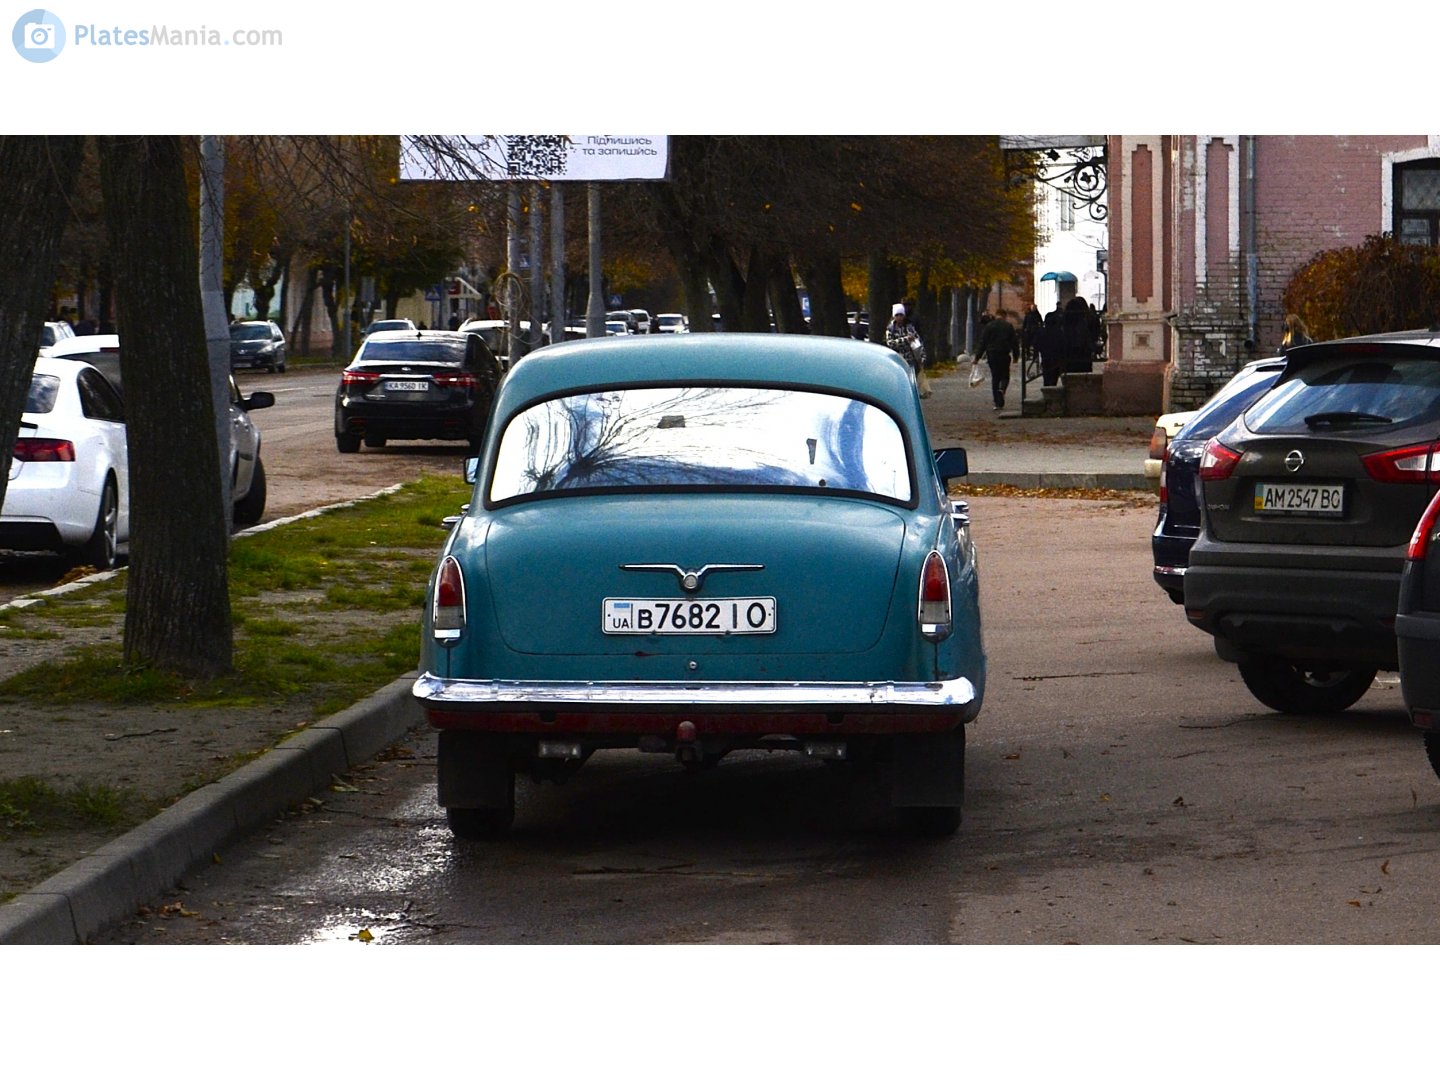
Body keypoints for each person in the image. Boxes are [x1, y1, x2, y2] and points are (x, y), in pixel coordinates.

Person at [974, 309, 1020, 411]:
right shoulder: (1008, 326)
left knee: (995, 377)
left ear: (996, 315)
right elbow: (1014, 342)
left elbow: (983, 342)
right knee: (1005, 375)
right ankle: (1002, 388)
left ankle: (997, 403)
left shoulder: (989, 326)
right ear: (1004, 316)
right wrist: (1016, 356)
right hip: (1004, 354)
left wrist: (977, 357)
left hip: (992, 354)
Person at [885, 302, 930, 398]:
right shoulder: (890, 329)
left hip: (911, 358)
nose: (899, 317)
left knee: (912, 378)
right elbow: (890, 343)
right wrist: (905, 339)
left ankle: (912, 395)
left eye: (901, 315)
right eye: (897, 315)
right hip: (897, 358)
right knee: (900, 378)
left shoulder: (909, 327)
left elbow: (918, 341)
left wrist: (922, 356)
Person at [1038, 302, 1065, 386]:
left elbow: (1038, 344)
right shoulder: (1058, 332)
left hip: (1045, 357)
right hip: (1055, 357)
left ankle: (1047, 388)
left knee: (1046, 377)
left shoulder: (1042, 332)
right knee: (1053, 378)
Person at [1021, 303, 1043, 370]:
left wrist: (1040, 328)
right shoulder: (1028, 315)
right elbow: (1025, 322)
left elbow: (1041, 322)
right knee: (1027, 344)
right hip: (1029, 331)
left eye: (1034, 308)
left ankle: (1035, 356)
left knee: (1035, 344)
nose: (1033, 309)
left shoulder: (1037, 315)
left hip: (1035, 331)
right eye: (1032, 308)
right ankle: (1028, 355)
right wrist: (1024, 329)